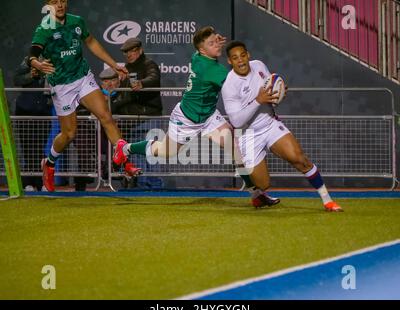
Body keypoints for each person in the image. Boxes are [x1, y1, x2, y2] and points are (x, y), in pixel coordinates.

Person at [122, 26, 276, 207]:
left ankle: (255, 194)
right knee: (166, 151)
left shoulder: (197, 56)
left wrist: (212, 41)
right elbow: (239, 87)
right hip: (187, 119)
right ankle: (126, 148)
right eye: (211, 44)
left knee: (235, 149)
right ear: (202, 49)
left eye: (216, 41)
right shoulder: (213, 71)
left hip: (209, 116)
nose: (217, 45)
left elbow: (207, 48)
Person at [28, 0, 140, 192]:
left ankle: (125, 161)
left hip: (82, 77)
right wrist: (35, 63)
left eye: (63, 1)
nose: (60, 5)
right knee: (69, 134)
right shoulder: (44, 29)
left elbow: (91, 42)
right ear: (48, 5)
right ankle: (49, 162)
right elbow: (33, 53)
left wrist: (113, 64)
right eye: (55, 2)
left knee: (106, 116)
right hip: (62, 85)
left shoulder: (77, 21)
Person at [221, 41, 343, 212]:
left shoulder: (259, 65)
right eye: (235, 58)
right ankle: (254, 190)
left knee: (300, 159)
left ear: (248, 55)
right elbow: (236, 122)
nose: (240, 60)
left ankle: (327, 200)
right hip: (248, 135)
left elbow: (271, 89)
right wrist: (258, 101)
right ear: (229, 61)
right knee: (263, 184)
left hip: (270, 124)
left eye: (242, 55)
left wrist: (279, 92)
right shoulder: (229, 86)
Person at [13, 56, 52, 191]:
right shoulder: (30, 59)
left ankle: (39, 182)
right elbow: (16, 79)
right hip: (25, 110)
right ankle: (28, 183)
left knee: (39, 147)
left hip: (43, 110)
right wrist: (31, 74)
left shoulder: (57, 59)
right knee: (27, 147)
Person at [118, 37, 163, 116]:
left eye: (132, 51)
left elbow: (153, 77)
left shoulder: (149, 64)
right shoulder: (127, 67)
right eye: (126, 52)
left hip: (147, 113)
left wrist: (142, 83)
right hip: (131, 114)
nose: (129, 55)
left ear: (140, 50)